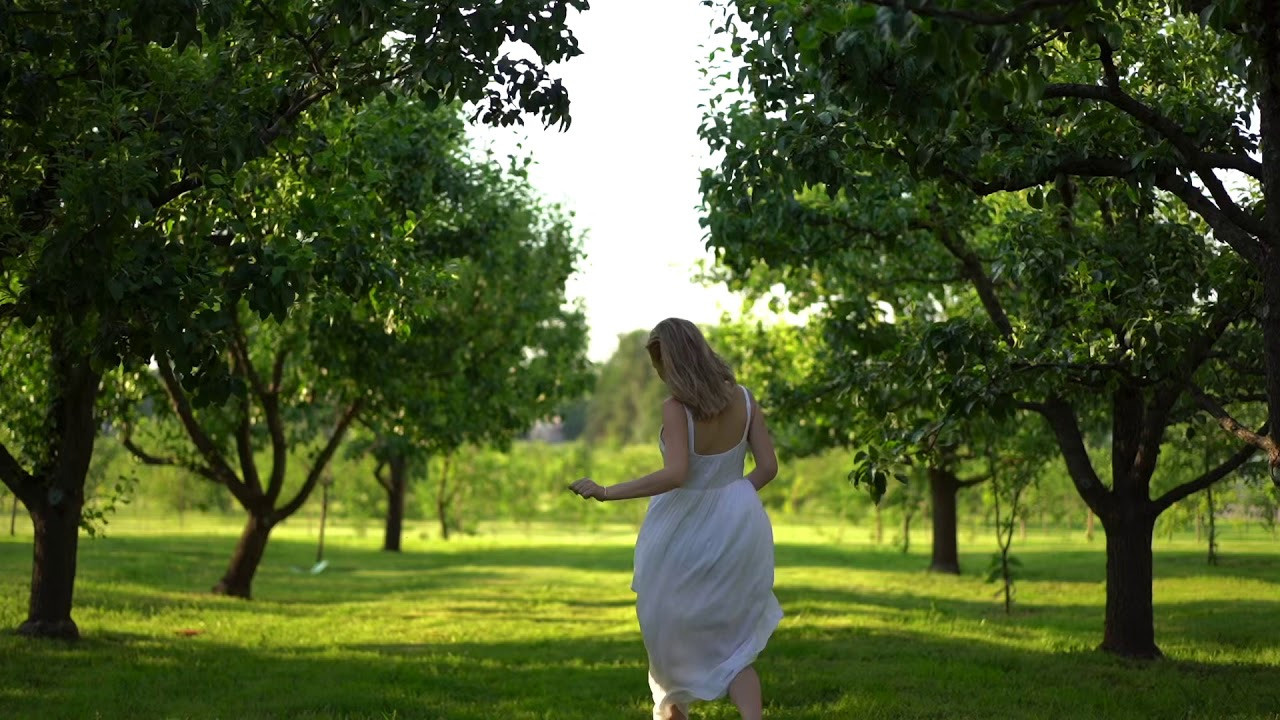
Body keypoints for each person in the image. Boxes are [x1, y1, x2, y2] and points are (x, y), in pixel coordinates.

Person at [569, 317, 783, 720]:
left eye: (662, 363)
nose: (660, 373)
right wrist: (732, 499)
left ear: (676, 362)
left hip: (680, 532)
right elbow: (768, 467)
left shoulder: (676, 409)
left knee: (665, 633)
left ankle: (674, 710)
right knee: (734, 642)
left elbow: (676, 474)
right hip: (739, 530)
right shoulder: (746, 399)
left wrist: (607, 491)